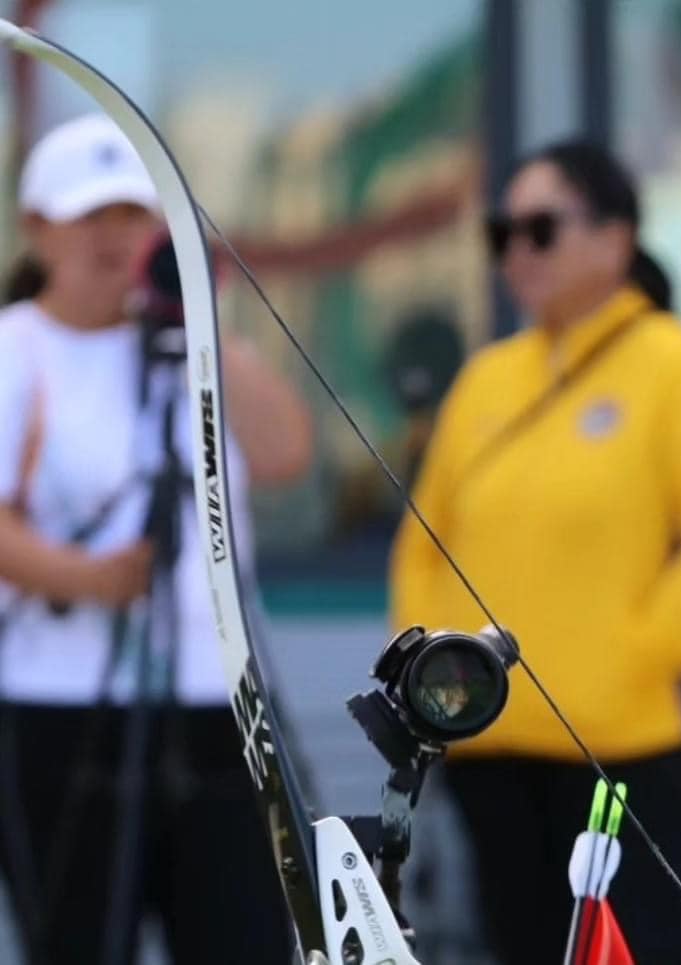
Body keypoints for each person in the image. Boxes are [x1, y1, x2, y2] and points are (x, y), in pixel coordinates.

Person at [389, 140, 681, 963]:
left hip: (624, 745)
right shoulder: (488, 377)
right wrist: (436, 678)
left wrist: (635, 651)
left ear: (615, 238)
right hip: (491, 743)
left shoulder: (675, 367)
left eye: (541, 229)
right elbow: (422, 542)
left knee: (626, 949)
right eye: (502, 233)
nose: (517, 252)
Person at [0, 114, 313, 964]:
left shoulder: (197, 342)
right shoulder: (17, 348)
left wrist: (198, 318)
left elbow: (285, 452)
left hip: (221, 701)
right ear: (38, 228)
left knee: (243, 936)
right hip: (60, 702)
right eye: (90, 217)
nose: (114, 238)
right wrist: (83, 575)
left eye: (133, 215)